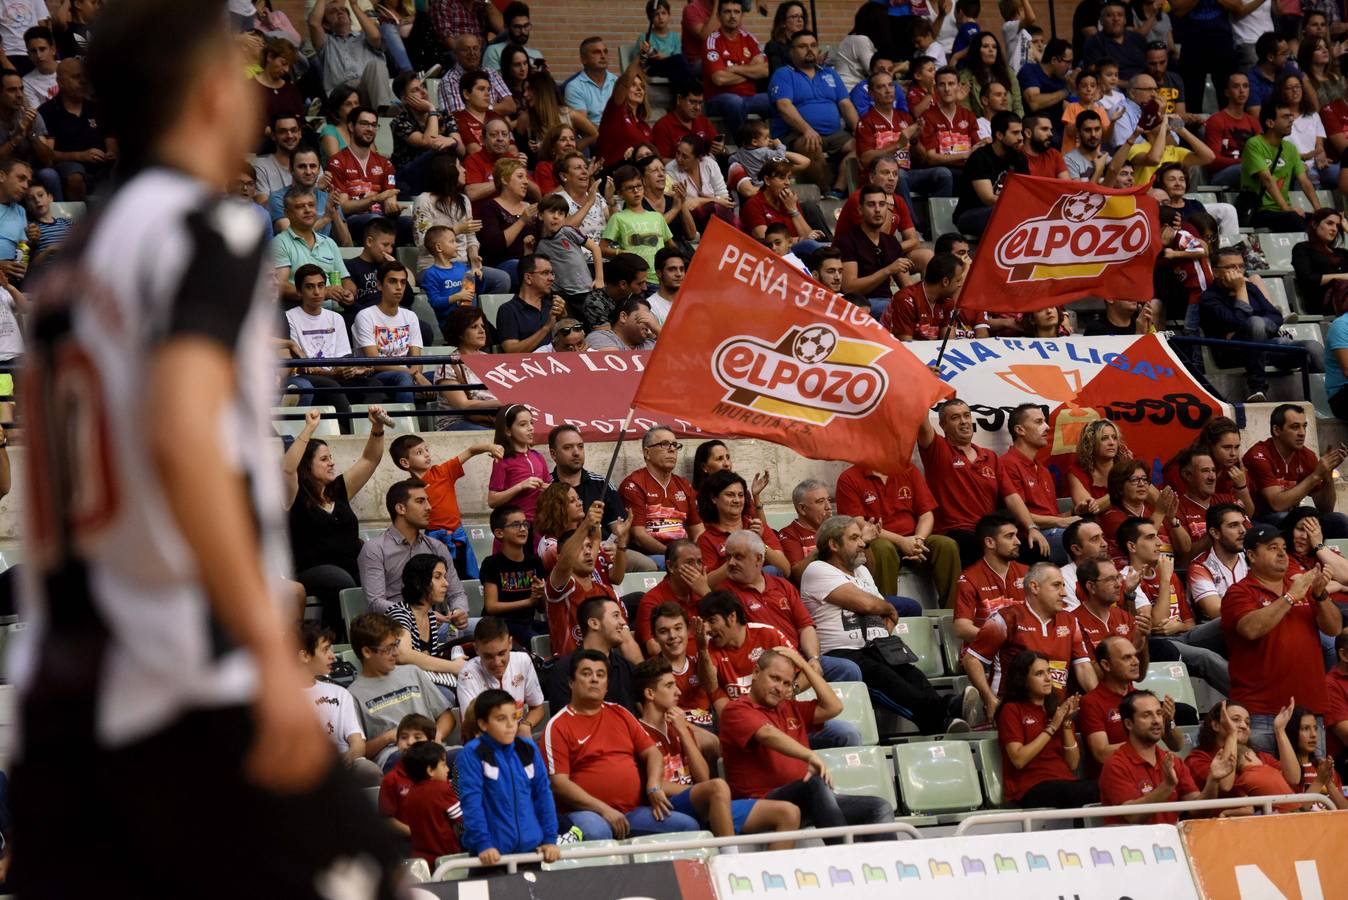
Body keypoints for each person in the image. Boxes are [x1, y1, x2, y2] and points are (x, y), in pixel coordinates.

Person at [802, 516, 960, 734]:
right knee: (883, 676)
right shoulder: (817, 569)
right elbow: (867, 604)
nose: (861, 544)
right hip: (842, 652)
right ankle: (947, 711)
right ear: (833, 544)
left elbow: (880, 604)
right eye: (854, 538)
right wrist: (888, 609)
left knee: (911, 674)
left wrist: (887, 609)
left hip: (878, 645)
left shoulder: (862, 570)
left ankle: (944, 716)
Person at [718, 647, 894, 838]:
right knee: (814, 784)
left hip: (808, 801)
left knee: (879, 807)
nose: (779, 687)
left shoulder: (790, 708)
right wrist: (809, 754)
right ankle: (844, 854)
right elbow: (767, 734)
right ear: (756, 672)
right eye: (774, 678)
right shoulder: (735, 710)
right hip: (762, 803)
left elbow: (834, 707)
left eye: (786, 683)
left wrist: (804, 665)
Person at [543, 649, 701, 839]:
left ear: (607, 685)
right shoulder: (558, 725)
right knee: (598, 830)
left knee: (687, 826)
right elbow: (559, 784)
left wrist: (654, 786)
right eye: (586, 674)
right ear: (571, 683)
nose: (594, 679)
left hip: (632, 812)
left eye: (600, 675)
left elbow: (653, 753)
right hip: (588, 813)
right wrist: (604, 810)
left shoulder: (621, 713)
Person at [1222, 523, 1342, 754]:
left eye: (1284, 548)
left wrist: (1320, 595)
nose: (1281, 553)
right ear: (1251, 555)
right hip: (1261, 713)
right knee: (1268, 786)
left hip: (1309, 712)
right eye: (1272, 547)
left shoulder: (1302, 588)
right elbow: (1251, 629)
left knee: (1312, 785)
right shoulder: (1239, 592)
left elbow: (1334, 628)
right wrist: (1290, 597)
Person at [283, 407, 386, 632]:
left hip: (351, 564)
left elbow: (370, 459)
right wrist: (309, 429)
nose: (332, 463)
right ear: (307, 465)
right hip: (311, 569)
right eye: (324, 459)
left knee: (379, 572)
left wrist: (377, 427)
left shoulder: (339, 490)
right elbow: (288, 469)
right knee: (339, 580)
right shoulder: (294, 496)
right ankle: (336, 639)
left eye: (331, 458)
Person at [963, 563, 1098, 724]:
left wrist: (1100, 701)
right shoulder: (1006, 618)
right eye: (1056, 586)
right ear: (1034, 587)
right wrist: (989, 699)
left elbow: (1083, 667)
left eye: (1063, 585)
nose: (1064, 593)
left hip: (1055, 714)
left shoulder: (1070, 621)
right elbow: (971, 659)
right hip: (1013, 713)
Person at [1201, 245, 1323, 403]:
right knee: (1255, 322)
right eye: (1231, 267)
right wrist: (1240, 290)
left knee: (1313, 347)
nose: (1238, 271)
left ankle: (1321, 402)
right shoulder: (1209, 298)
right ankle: (1257, 388)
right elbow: (1239, 321)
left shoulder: (1251, 288)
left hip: (1266, 348)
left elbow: (1276, 316)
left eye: (1241, 266)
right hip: (1232, 354)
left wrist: (1260, 329)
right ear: (1215, 271)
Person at [834, 459, 961, 608]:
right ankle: (886, 612)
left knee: (947, 545)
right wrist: (901, 541)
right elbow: (858, 524)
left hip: (915, 538)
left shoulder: (908, 470)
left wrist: (918, 540)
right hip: (878, 540)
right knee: (882, 549)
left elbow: (926, 514)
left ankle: (953, 612)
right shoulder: (849, 478)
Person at [456, 686, 561, 865]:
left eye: (514, 717)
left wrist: (549, 840)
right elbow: (472, 802)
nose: (511, 725)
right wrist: (484, 844)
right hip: (489, 856)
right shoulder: (472, 753)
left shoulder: (529, 749)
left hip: (531, 852)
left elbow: (543, 795)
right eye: (501, 719)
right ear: (483, 724)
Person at [1099, 690, 1234, 823]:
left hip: (1171, 842)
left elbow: (1198, 810)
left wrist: (1212, 781)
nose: (1157, 721)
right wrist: (1167, 786)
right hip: (1131, 844)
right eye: (1146, 715)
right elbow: (1133, 816)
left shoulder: (1174, 761)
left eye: (1159, 713)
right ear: (1129, 724)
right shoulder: (1115, 764)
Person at [347, 613, 457, 770]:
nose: (396, 653)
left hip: (430, 748)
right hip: (394, 754)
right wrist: (388, 737)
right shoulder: (353, 695)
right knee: (413, 762)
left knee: (468, 756)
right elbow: (359, 751)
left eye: (396, 644)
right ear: (367, 652)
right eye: (389, 648)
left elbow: (447, 717)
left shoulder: (412, 672)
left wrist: (436, 737)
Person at [389, 433, 504, 578]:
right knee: (439, 579)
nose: (426, 454)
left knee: (468, 577)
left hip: (458, 536)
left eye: (426, 450)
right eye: (419, 452)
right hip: (432, 539)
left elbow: (470, 451)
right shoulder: (409, 489)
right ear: (405, 463)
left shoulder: (442, 471)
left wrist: (490, 447)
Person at [996, 651, 1098, 808]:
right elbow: (1019, 759)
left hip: (1065, 782)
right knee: (1092, 791)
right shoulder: (1011, 710)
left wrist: (1065, 723)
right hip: (1030, 787)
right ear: (1023, 680)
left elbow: (1072, 764)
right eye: (1039, 673)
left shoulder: (1056, 710)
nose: (1048, 678)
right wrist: (1052, 727)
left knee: (1108, 787)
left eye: (1049, 671)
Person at [769, 29, 856, 196]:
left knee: (862, 146)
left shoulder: (830, 73)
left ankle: (838, 189)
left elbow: (846, 105)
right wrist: (807, 129)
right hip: (796, 134)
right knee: (810, 144)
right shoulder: (783, 74)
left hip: (834, 134)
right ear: (791, 51)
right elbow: (784, 106)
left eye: (813, 45)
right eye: (803, 46)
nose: (809, 50)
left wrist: (860, 130)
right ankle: (824, 192)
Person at [1079, 635, 1182, 778]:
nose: (1136, 662)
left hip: (1150, 774)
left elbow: (1177, 745)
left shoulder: (1144, 698)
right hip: (1115, 778)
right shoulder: (1091, 702)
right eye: (1127, 658)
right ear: (1106, 665)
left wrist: (1169, 721)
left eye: (1135, 656)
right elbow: (1101, 753)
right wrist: (1142, 743)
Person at [359, 477, 463, 615]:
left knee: (484, 628)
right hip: (396, 627)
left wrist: (458, 611)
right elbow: (376, 602)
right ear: (401, 508)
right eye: (420, 501)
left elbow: (456, 593)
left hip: (438, 625)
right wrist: (419, 615)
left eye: (428, 501)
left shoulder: (437, 547)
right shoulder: (375, 549)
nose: (429, 507)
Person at [917, 398, 1002, 566]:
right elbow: (920, 420)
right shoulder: (938, 449)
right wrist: (924, 388)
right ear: (943, 425)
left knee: (1026, 546)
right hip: (955, 532)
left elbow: (1009, 497)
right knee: (982, 545)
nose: (963, 422)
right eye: (955, 418)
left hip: (988, 530)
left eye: (966, 415)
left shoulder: (989, 456)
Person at [300, 621, 384, 787]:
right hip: (303, 769)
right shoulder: (280, 699)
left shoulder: (340, 693)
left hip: (344, 764)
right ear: (304, 656)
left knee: (369, 770)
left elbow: (358, 744)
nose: (333, 656)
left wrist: (342, 764)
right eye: (325, 650)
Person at [1244, 403, 1348, 531]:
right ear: (1277, 430)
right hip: (1257, 520)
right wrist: (1315, 475)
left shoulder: (1307, 456)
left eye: (1304, 426)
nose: (1302, 433)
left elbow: (1325, 509)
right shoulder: (1259, 455)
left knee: (1339, 520)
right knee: (1290, 519)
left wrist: (1327, 475)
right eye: (1295, 427)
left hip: (1290, 517)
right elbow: (1277, 504)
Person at [1000, 403, 1078, 564]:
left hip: (1053, 531)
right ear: (1020, 430)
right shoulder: (1007, 464)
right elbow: (1017, 515)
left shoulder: (1043, 470)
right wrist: (1060, 521)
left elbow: (1051, 516)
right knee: (1082, 541)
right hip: (1026, 538)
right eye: (1038, 422)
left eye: (1045, 421)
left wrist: (1075, 511)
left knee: (1093, 533)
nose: (1047, 427)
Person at [621, 426, 705, 557]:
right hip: (651, 555)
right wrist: (673, 555)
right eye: (664, 444)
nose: (672, 449)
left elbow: (698, 531)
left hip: (683, 554)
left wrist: (697, 553)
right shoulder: (634, 484)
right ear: (647, 453)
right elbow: (638, 536)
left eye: (675, 445)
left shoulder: (684, 485)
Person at [457, 617, 547, 738]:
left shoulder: (523, 660)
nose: (497, 662)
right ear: (476, 648)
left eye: (501, 653)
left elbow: (538, 707)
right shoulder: (467, 674)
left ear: (510, 643)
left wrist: (526, 725)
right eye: (488, 656)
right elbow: (472, 729)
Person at [38, 58, 111, 200]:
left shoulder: (96, 107)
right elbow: (48, 155)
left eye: (84, 77)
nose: (83, 82)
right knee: (75, 175)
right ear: (60, 81)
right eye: (76, 77)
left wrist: (111, 152)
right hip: (69, 168)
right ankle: (80, 220)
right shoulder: (48, 112)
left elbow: (110, 137)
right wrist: (80, 156)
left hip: (102, 166)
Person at [1242, 101, 1321, 232]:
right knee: (1293, 219)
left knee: (1325, 223)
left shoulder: (1290, 148)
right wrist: (1286, 209)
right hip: (1261, 210)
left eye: (1291, 116)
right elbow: (1267, 179)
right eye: (1285, 117)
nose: (1291, 120)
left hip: (1283, 212)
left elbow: (1304, 181)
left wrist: (1320, 212)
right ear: (1270, 123)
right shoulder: (1254, 144)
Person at [697, 470, 790, 580]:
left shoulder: (757, 527)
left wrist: (758, 542)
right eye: (730, 495)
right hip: (732, 593)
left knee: (771, 570)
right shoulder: (707, 538)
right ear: (714, 498)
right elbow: (707, 583)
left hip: (767, 592)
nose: (737, 500)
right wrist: (736, 556)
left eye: (741, 495)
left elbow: (785, 570)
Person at [954, 514, 1028, 645]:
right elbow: (962, 628)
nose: (1018, 542)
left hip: (1025, 653)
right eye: (1010, 536)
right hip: (986, 652)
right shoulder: (969, 578)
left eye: (1016, 535)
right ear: (990, 542)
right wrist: (1004, 641)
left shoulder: (1028, 573)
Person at [307, 0, 394, 112]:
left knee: (377, 65)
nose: (340, 12)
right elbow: (314, 23)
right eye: (333, 11)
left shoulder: (364, 37)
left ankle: (383, 113)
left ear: (350, 19)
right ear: (326, 24)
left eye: (343, 10)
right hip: (341, 97)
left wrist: (354, 5)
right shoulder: (326, 43)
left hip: (368, 93)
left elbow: (376, 36)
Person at [701, 0, 771, 138]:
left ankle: (776, 146)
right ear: (719, 16)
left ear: (741, 15)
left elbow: (765, 70)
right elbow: (719, 79)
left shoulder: (749, 38)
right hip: (719, 98)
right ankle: (744, 147)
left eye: (736, 12)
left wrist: (734, 68)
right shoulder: (712, 41)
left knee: (776, 100)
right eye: (727, 11)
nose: (732, 16)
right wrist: (751, 71)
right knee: (735, 102)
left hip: (749, 97)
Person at [954, 110, 1026, 234]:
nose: (1021, 138)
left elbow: (1026, 192)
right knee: (1004, 212)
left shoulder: (1019, 158)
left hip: (1004, 209)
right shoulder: (979, 158)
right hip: (971, 214)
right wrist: (1018, 205)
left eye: (1021, 132)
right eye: (1015, 133)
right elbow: (988, 199)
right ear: (999, 135)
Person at [882, 251, 982, 341]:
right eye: (958, 281)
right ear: (945, 282)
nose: (960, 285)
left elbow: (948, 344)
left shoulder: (947, 302)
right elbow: (906, 347)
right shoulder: (905, 300)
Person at [634, 542, 708, 654]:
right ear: (670, 566)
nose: (697, 568)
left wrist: (707, 593)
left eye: (699, 562)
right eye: (689, 562)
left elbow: (728, 631)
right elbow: (655, 649)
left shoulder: (702, 593)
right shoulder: (652, 601)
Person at [400, 740, 464, 865]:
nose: (448, 769)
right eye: (444, 765)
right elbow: (462, 819)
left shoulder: (410, 793)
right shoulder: (442, 789)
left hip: (420, 860)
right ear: (430, 770)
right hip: (446, 857)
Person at [917, 66, 981, 184]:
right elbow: (931, 158)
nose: (947, 89)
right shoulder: (927, 117)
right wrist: (965, 155)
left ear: (958, 87)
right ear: (936, 88)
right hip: (940, 171)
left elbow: (976, 150)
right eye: (942, 84)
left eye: (951, 84)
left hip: (966, 170)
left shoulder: (968, 115)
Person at [1188, 503, 1251, 622]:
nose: (1242, 530)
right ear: (1215, 533)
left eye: (1243, 524)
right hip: (1215, 634)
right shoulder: (1200, 567)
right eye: (1233, 526)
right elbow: (1216, 612)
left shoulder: (1252, 558)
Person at [595, 51, 654, 169]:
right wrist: (639, 56)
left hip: (637, 177)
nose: (639, 89)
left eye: (642, 86)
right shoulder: (616, 111)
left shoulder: (644, 126)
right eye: (633, 85)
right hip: (611, 174)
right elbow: (625, 82)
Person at [1281, 703, 1348, 806]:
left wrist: (1329, 783)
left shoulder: (1324, 768)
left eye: (1315, 728)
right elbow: (1295, 813)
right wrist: (1320, 781)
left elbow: (1345, 811)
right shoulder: (1286, 772)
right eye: (1306, 729)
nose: (1313, 735)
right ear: (1293, 732)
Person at [1204, 72, 1260, 188]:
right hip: (1221, 174)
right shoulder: (1216, 120)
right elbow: (1212, 161)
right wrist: (1244, 162)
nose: (1241, 90)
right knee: (1248, 169)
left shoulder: (1253, 122)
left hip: (1250, 167)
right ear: (1227, 92)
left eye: (1245, 86)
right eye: (1236, 86)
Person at [1293, 209, 1348, 315]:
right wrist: (1343, 277)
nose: (1334, 229)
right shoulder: (1303, 248)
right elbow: (1307, 279)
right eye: (1329, 223)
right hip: (1323, 302)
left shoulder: (1342, 253)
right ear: (1314, 225)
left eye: (1337, 225)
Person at [961, 31, 1024, 119]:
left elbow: (1018, 105)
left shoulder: (1007, 72)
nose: (991, 50)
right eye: (985, 46)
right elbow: (965, 108)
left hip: (1009, 125)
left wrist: (1016, 124)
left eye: (994, 47)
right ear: (976, 50)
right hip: (980, 127)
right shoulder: (966, 76)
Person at [653, 82, 719, 160]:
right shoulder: (662, 126)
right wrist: (690, 163)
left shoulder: (703, 121)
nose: (697, 107)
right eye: (692, 102)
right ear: (679, 99)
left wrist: (721, 149)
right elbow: (662, 161)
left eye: (700, 103)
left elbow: (719, 148)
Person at [1018, 37, 1072, 131]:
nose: (1070, 67)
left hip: (1058, 132)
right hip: (1035, 131)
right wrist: (1067, 90)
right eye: (1067, 62)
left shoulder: (1061, 80)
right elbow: (1034, 103)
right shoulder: (1030, 71)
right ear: (1054, 60)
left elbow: (1067, 109)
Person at [562, 36, 617, 125]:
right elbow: (584, 126)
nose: (603, 56)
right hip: (593, 136)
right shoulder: (574, 87)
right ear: (584, 59)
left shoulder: (617, 82)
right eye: (597, 52)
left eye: (605, 52)